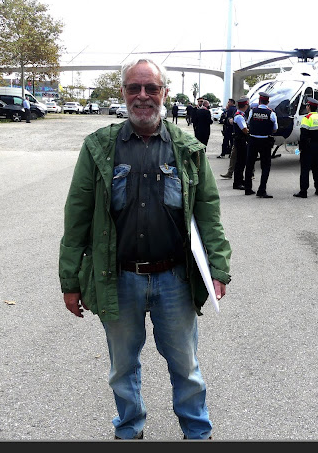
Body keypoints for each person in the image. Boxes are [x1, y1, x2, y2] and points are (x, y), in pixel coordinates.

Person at [58, 57, 231, 441]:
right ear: (123, 93)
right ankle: (129, 429)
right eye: (134, 88)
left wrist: (218, 267)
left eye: (151, 88)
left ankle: (197, 432)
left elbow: (209, 215)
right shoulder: (99, 147)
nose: (142, 96)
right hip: (119, 278)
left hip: (175, 279)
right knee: (122, 367)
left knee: (185, 365)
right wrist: (70, 280)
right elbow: (77, 218)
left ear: (164, 93)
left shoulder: (188, 149)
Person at [243, 92, 278, 198]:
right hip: (265, 142)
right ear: (268, 102)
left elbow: (248, 123)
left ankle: (248, 189)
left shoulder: (252, 111)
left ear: (259, 101)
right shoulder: (271, 113)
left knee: (249, 164)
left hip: (253, 140)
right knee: (265, 166)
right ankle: (261, 190)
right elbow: (275, 129)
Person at [294, 98, 318, 198]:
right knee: (317, 168)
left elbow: (303, 136)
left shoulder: (307, 118)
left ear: (308, 107)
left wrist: (300, 149)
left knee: (305, 169)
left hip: (308, 147)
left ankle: (303, 191)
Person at [230, 96, 250, 190]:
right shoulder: (239, 116)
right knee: (240, 162)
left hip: (241, 140)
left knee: (242, 162)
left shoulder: (241, 115)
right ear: (245, 106)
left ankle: (240, 181)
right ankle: (237, 182)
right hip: (240, 141)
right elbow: (244, 130)